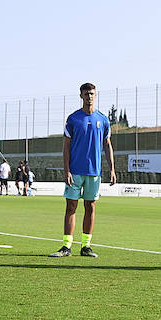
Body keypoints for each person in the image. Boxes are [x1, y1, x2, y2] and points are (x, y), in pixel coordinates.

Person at [50, 83, 116, 259]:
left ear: (96, 95)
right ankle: (66, 246)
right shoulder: (73, 119)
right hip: (75, 171)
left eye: (92, 94)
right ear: (81, 96)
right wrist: (66, 170)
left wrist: (112, 169)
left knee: (90, 206)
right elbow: (66, 146)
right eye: (86, 94)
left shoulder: (103, 120)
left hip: (94, 172)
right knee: (71, 206)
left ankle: (86, 246)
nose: (89, 97)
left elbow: (107, 145)